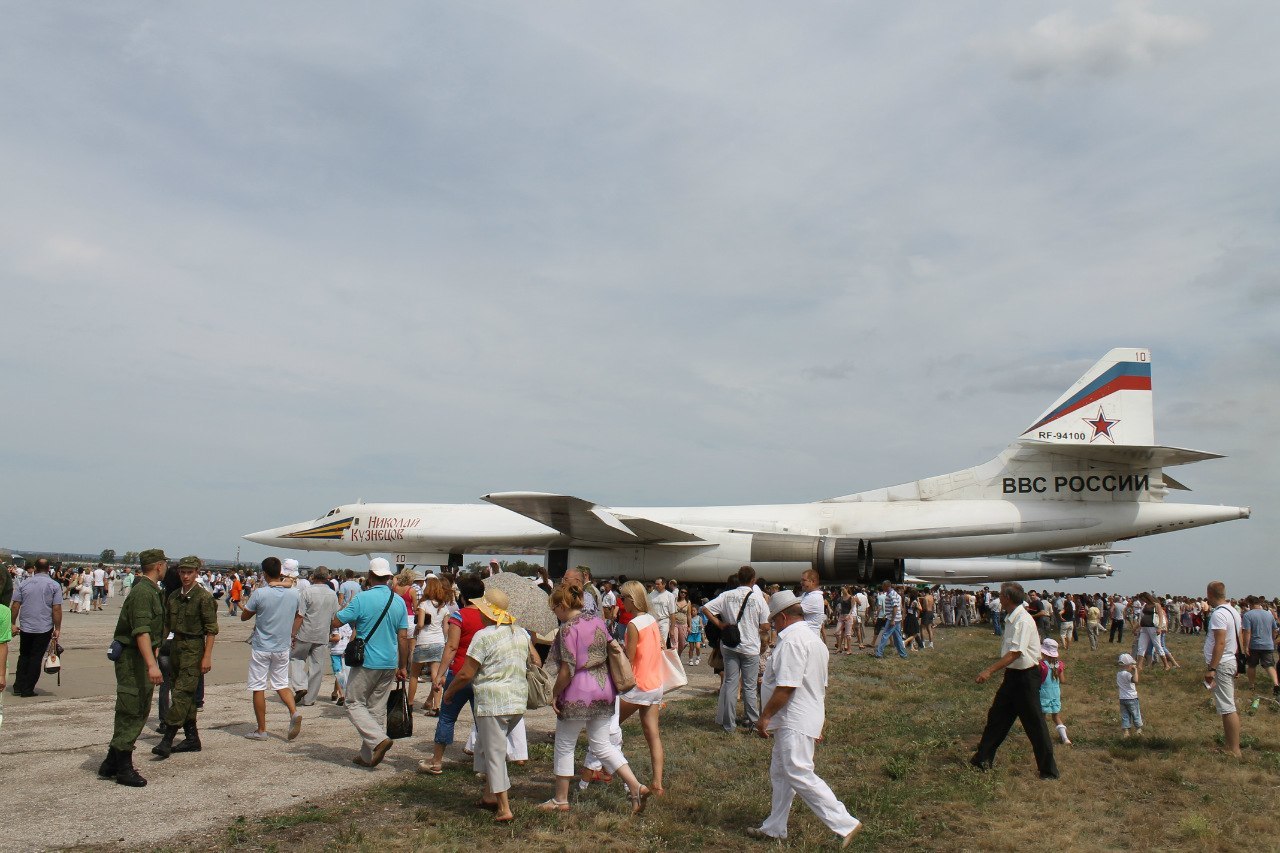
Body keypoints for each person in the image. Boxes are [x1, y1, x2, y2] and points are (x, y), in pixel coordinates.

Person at [745, 590, 862, 846]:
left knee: (797, 771)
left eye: (774, 620)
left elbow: (787, 686)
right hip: (802, 716)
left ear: (783, 617)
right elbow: (819, 685)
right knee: (781, 772)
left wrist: (764, 717)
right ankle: (775, 827)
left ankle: (845, 822)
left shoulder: (791, 642)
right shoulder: (813, 641)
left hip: (793, 718)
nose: (773, 625)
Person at [542, 584, 650, 813]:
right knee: (602, 745)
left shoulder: (567, 629)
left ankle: (560, 799)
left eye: (555, 609)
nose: (555, 614)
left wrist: (555, 693)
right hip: (604, 688)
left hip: (577, 691)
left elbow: (567, 669)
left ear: (562, 606)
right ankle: (635, 786)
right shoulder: (598, 621)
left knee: (564, 745)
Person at [440, 588, 536, 823]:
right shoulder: (521, 633)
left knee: (494, 754)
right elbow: (534, 660)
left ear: (488, 612)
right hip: (516, 702)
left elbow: (466, 674)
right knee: (489, 746)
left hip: (493, 703)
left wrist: (449, 693)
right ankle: (489, 796)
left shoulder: (483, 636)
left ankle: (504, 807)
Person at [970, 582, 1059, 779]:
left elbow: (1015, 653)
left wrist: (989, 670)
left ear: (1008, 598)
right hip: (1013, 676)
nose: (999, 598)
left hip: (1026, 678)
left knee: (1035, 724)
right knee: (997, 718)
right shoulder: (1013, 617)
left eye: (1001, 595)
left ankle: (1048, 771)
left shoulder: (1023, 621)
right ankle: (982, 758)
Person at [334, 557, 412, 768]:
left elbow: (337, 620)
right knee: (376, 707)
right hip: (389, 661)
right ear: (388, 577)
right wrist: (403, 665)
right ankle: (369, 756)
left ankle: (378, 740)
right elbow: (403, 636)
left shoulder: (362, 599)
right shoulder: (398, 601)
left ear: (369, 576)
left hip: (367, 660)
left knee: (353, 702)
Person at [98, 549, 166, 787]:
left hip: (139, 657)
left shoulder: (150, 591)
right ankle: (123, 768)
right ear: (159, 566)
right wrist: (152, 665)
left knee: (136, 707)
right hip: (133, 660)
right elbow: (141, 631)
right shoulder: (143, 593)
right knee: (132, 709)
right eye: (164, 564)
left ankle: (110, 762)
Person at [153, 556, 219, 759]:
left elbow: (211, 630)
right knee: (182, 692)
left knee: (181, 693)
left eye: (189, 572)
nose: (185, 576)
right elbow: (166, 624)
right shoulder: (173, 596)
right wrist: (157, 645)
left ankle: (168, 739)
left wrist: (207, 656)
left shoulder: (203, 597)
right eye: (182, 572)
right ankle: (192, 738)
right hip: (176, 647)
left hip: (194, 647)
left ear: (197, 573)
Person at [241, 557, 303, 742]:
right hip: (282, 645)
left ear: (265, 573)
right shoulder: (293, 594)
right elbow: (299, 615)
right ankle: (293, 712)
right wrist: (292, 634)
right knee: (281, 683)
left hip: (262, 646)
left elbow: (245, 616)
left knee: (258, 686)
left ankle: (262, 730)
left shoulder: (260, 594)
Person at [702, 566, 769, 734]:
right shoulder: (758, 598)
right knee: (749, 686)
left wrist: (719, 623)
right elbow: (765, 625)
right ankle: (752, 720)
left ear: (739, 578)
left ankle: (728, 724)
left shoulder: (726, 596)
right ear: (753, 580)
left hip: (730, 645)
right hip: (750, 647)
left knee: (731, 683)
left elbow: (705, 608)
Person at [616, 580, 667, 795]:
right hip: (655, 684)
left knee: (607, 727)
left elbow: (630, 656)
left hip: (637, 685)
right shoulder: (651, 620)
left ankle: (604, 769)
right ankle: (657, 783)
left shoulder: (633, 624)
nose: (621, 603)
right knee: (653, 735)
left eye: (624, 598)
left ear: (632, 600)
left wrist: (617, 648)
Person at [10, 557, 63, 697]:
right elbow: (56, 608)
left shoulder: (24, 584)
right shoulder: (54, 585)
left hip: (26, 626)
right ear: (48, 568)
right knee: (36, 657)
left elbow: (15, 605)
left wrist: (12, 623)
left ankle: (18, 686)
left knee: (24, 656)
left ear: (35, 567)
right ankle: (27, 689)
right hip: (43, 627)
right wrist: (57, 628)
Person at [1203, 580, 1243, 758]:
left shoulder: (1219, 614)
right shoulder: (1233, 611)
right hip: (1230, 659)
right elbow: (1238, 636)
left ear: (1210, 594)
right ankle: (1230, 746)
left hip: (1222, 662)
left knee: (1227, 707)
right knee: (1227, 706)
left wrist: (1212, 668)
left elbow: (1220, 642)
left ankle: (1234, 749)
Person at [290, 567, 340, 706]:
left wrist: (293, 633)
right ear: (327, 578)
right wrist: (333, 631)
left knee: (296, 658)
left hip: (305, 632)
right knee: (317, 667)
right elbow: (335, 616)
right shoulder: (332, 594)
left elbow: (300, 615)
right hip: (322, 634)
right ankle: (310, 699)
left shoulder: (307, 592)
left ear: (313, 577)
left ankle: (300, 686)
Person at [412, 575, 452, 714]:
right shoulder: (444, 607)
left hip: (424, 640)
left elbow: (421, 624)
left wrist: (417, 628)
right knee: (436, 674)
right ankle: (436, 706)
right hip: (439, 641)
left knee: (414, 674)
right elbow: (446, 628)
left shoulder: (424, 604)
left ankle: (410, 703)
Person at [1240, 596, 1279, 697]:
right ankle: (1276, 684)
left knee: (1252, 665)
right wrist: (1272, 640)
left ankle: (1252, 685)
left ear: (1250, 604)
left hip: (1254, 645)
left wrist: (1245, 646)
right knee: (1269, 665)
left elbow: (1247, 632)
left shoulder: (1248, 615)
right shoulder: (1268, 614)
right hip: (1268, 645)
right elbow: (1275, 630)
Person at [1037, 638, 1070, 745]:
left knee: (1042, 717)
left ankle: (1043, 738)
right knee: (1056, 717)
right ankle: (1065, 738)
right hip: (1055, 694)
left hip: (1043, 694)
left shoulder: (1041, 665)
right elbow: (1063, 680)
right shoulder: (1058, 664)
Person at [873, 581, 908, 659]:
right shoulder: (892, 594)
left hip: (893, 619)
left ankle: (879, 653)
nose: (882, 587)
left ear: (886, 586)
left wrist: (892, 619)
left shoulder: (892, 594)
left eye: (883, 585)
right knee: (897, 637)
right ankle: (903, 655)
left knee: (885, 635)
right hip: (896, 618)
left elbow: (895, 607)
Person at [1116, 652, 1142, 736]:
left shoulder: (1118, 674)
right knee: (1135, 714)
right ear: (1128, 665)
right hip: (1132, 698)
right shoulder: (1127, 674)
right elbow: (1135, 680)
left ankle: (1126, 731)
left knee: (1125, 715)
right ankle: (1138, 729)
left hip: (1122, 698)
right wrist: (1135, 671)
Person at [647, 578, 676, 648]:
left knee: (661, 644)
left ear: (664, 584)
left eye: (658, 584)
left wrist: (672, 629)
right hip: (652, 622)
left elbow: (672, 613)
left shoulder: (670, 596)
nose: (656, 585)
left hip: (664, 622)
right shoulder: (651, 595)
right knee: (652, 643)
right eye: (655, 584)